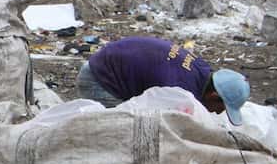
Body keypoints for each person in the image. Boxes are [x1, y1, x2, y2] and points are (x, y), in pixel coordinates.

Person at [75, 36, 251, 125]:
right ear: (213, 96)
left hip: (110, 63)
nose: (218, 114)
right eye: (221, 108)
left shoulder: (202, 69)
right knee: (129, 132)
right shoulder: (178, 90)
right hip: (99, 79)